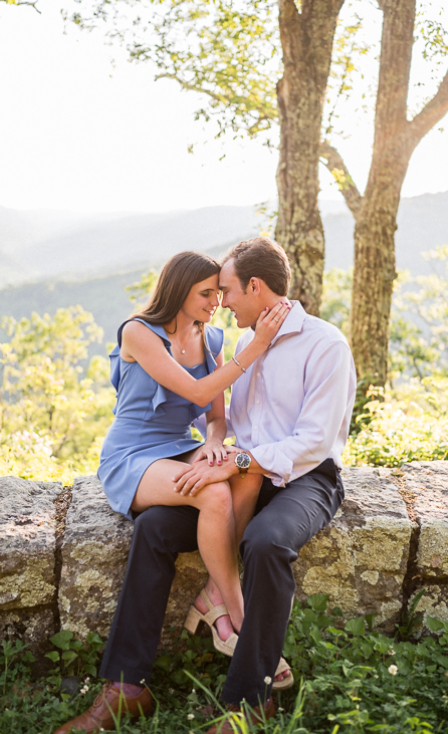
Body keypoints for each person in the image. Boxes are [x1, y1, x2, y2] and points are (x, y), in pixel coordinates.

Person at [55, 238, 356, 734]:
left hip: (305, 477)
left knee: (265, 541)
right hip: (243, 474)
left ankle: (250, 703)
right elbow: (230, 419)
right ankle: (127, 687)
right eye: (213, 292)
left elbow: (313, 442)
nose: (222, 302)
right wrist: (224, 457)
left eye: (229, 291)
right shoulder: (241, 344)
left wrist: (233, 458)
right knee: (154, 527)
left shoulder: (326, 344)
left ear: (254, 286)